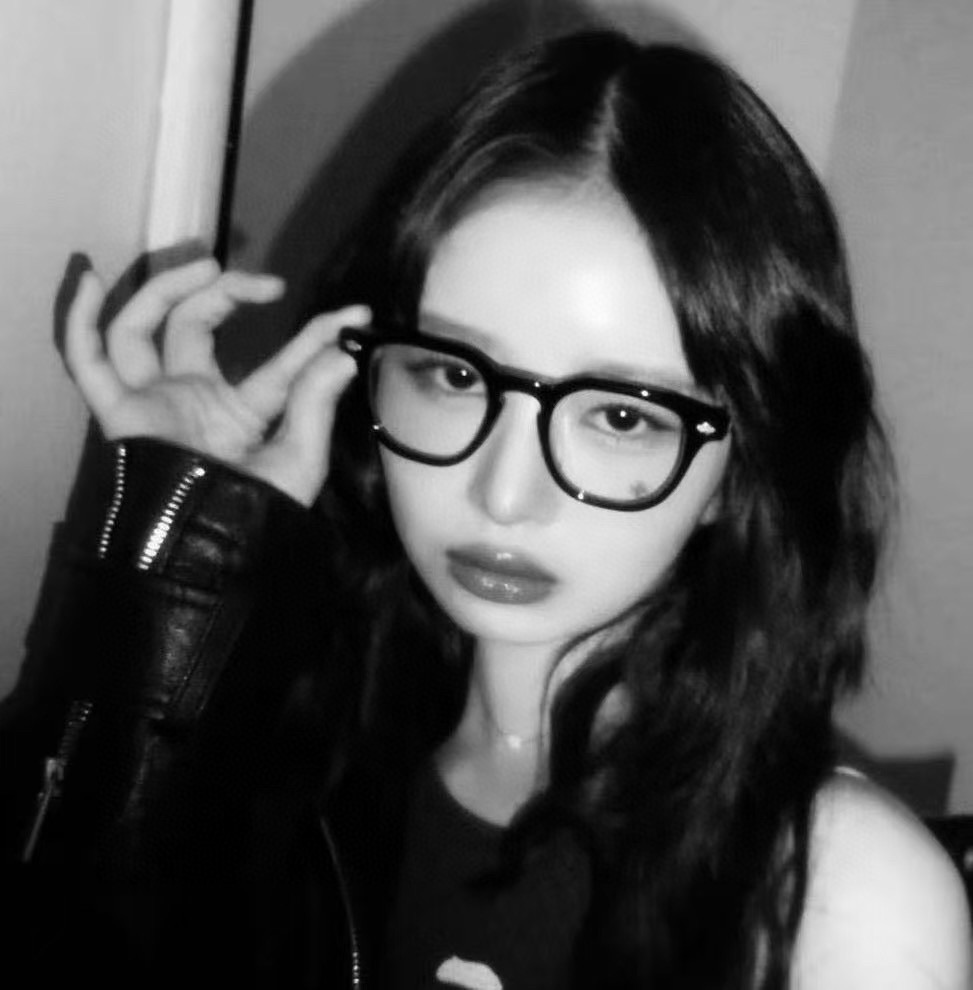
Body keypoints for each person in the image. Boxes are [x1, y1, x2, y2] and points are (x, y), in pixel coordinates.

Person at [1, 28, 969, 990]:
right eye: (455, 376)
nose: (502, 495)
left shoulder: (835, 896)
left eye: (621, 416)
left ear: (742, 467)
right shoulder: (293, 765)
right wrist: (177, 547)